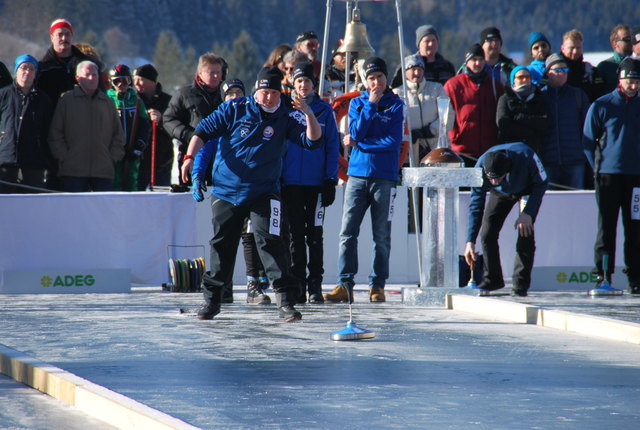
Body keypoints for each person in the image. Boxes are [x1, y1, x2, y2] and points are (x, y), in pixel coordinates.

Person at [181, 66, 323, 322]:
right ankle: (212, 302)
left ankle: (286, 303)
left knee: (272, 242)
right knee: (222, 245)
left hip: (265, 191)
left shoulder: (287, 115)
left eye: (273, 93)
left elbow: (313, 141)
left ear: (280, 93)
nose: (268, 98)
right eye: (264, 92)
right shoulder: (234, 108)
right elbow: (202, 131)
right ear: (256, 91)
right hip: (227, 190)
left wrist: (308, 112)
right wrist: (190, 159)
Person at [324, 57, 404, 304]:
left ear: (386, 78)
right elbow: (355, 131)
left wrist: (360, 144)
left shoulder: (396, 105)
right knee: (348, 233)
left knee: (382, 235)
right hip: (357, 177)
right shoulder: (358, 103)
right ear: (365, 81)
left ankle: (377, 285)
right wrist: (371, 104)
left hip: (384, 178)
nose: (376, 82)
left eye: (379, 77)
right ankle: (344, 284)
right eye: (371, 78)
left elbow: (392, 142)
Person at [191, 78, 272, 305]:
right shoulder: (221, 120)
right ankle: (222, 287)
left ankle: (253, 284)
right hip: (226, 190)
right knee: (224, 239)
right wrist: (197, 176)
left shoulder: (253, 117)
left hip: (253, 189)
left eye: (238, 92)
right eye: (230, 94)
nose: (234, 97)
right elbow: (203, 152)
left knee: (250, 237)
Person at [281, 62, 340, 304]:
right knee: (295, 235)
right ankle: (298, 285)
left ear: (314, 85)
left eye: (307, 81)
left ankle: (315, 284)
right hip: (291, 184)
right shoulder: (285, 110)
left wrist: (330, 180)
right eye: (299, 81)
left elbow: (332, 146)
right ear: (292, 85)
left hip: (316, 185)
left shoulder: (325, 111)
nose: (303, 85)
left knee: (314, 234)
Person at [582, 57, 640, 294]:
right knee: (606, 228)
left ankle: (635, 278)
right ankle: (603, 276)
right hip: (607, 177)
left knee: (635, 229)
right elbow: (587, 142)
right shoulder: (602, 105)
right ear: (620, 79)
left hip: (636, 179)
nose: (634, 86)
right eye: (630, 81)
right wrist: (596, 168)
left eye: (637, 82)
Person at [464, 143, 549, 297]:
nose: (494, 181)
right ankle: (493, 279)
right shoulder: (479, 169)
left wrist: (528, 212)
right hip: (501, 193)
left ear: (507, 169)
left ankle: (520, 283)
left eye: (498, 177)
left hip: (527, 189)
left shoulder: (526, 156)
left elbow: (542, 182)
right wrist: (470, 241)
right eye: (491, 179)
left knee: (525, 231)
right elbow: (476, 204)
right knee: (487, 232)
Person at [37, 18, 102, 190]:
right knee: (53, 183)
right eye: (60, 34)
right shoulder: (43, 68)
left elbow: (101, 98)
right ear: (52, 37)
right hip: (51, 131)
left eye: (67, 34)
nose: (63, 38)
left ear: (72, 36)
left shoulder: (88, 65)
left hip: (83, 132)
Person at [48, 61, 124, 192]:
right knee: (74, 211)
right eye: (87, 74)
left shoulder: (107, 102)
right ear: (78, 78)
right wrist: (66, 158)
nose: (92, 78)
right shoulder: (66, 100)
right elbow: (55, 135)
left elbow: (118, 135)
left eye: (95, 75)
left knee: (102, 212)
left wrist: (111, 158)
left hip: (103, 172)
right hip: (73, 173)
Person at [164, 52, 226, 185]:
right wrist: (190, 136)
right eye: (211, 72)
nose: (216, 76)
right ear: (200, 73)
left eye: (218, 72)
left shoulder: (225, 97)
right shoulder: (184, 94)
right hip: (191, 155)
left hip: (220, 158)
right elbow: (168, 120)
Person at [445, 44, 504, 166]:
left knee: (486, 184)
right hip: (463, 150)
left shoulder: (494, 85)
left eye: (481, 59)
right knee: (464, 185)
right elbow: (445, 113)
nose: (478, 63)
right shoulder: (453, 85)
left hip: (488, 148)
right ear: (467, 62)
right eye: (474, 60)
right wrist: (454, 136)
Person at [0, 55, 53, 193]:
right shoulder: (3, 95)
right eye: (23, 68)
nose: (27, 72)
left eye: (31, 69)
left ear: (36, 73)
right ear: (16, 71)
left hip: (34, 159)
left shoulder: (43, 99)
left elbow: (49, 130)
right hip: (6, 158)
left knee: (34, 201)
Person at [539, 53, 590, 189]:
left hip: (574, 160)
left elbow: (588, 129)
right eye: (558, 70)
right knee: (550, 205)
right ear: (548, 73)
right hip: (548, 161)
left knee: (575, 203)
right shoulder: (540, 97)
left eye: (565, 70)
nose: (562, 73)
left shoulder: (578, 95)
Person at [393, 54, 452, 162]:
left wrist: (430, 130)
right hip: (410, 150)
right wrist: (409, 134)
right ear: (405, 72)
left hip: (436, 146)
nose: (417, 73)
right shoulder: (398, 93)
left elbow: (448, 114)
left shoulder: (436, 88)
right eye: (413, 69)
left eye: (420, 69)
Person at [107, 64, 150, 192]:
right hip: (113, 150)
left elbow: (144, 124)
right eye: (116, 81)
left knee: (132, 182)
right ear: (111, 82)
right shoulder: (107, 99)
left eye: (125, 81)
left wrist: (140, 144)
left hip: (132, 150)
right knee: (114, 182)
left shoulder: (136, 100)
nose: (121, 85)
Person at [133, 64, 173, 188]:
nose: (136, 83)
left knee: (161, 195)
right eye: (134, 80)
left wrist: (161, 120)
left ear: (152, 82)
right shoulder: (133, 99)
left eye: (140, 80)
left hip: (161, 160)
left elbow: (175, 126)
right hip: (137, 159)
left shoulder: (168, 101)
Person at [496, 66, 549, 153]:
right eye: (521, 77)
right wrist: (530, 130)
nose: (524, 80)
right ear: (513, 80)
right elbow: (503, 124)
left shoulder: (538, 97)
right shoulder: (505, 98)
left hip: (533, 149)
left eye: (527, 77)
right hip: (510, 149)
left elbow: (544, 122)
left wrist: (519, 117)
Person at [391, 24, 455, 88]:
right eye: (427, 41)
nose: (431, 44)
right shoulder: (408, 65)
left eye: (433, 40)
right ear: (419, 44)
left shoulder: (447, 66)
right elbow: (396, 88)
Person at [560, 29, 605, 102]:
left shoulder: (590, 71)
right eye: (571, 48)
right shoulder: (556, 70)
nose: (575, 52)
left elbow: (599, 95)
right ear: (562, 48)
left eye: (578, 48)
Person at [597, 25, 633, 94]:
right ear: (615, 43)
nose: (630, 42)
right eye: (627, 39)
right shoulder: (605, 67)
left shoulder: (637, 63)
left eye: (632, 39)